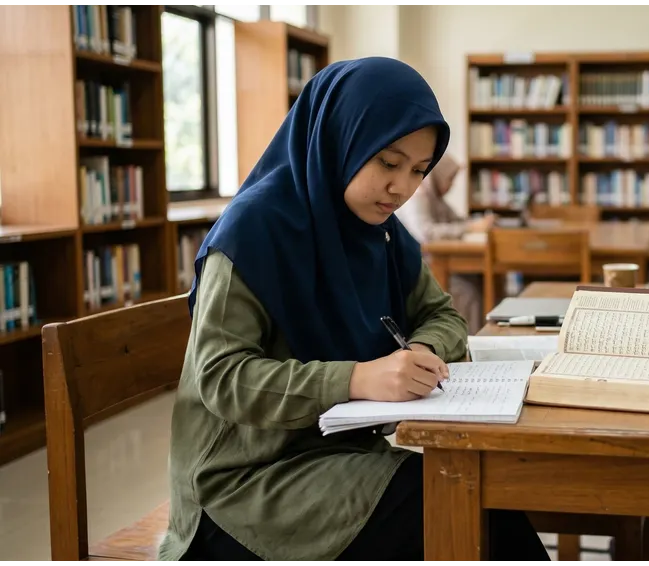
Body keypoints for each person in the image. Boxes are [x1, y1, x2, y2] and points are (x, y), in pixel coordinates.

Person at [156, 57, 550, 566]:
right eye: (388, 162)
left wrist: (422, 352)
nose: (402, 188)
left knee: (475, 501)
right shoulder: (252, 232)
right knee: (454, 506)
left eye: (418, 171)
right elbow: (222, 378)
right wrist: (359, 379)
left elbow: (444, 316)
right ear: (338, 138)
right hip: (241, 486)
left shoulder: (378, 233)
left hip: (338, 455)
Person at [396, 154, 493, 333]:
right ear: (438, 175)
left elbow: (457, 220)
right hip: (422, 265)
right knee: (467, 291)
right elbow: (426, 233)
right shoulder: (419, 195)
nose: (451, 185)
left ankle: (483, 335)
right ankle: (467, 341)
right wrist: (471, 228)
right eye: (450, 179)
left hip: (434, 260)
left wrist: (476, 223)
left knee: (479, 280)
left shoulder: (436, 198)